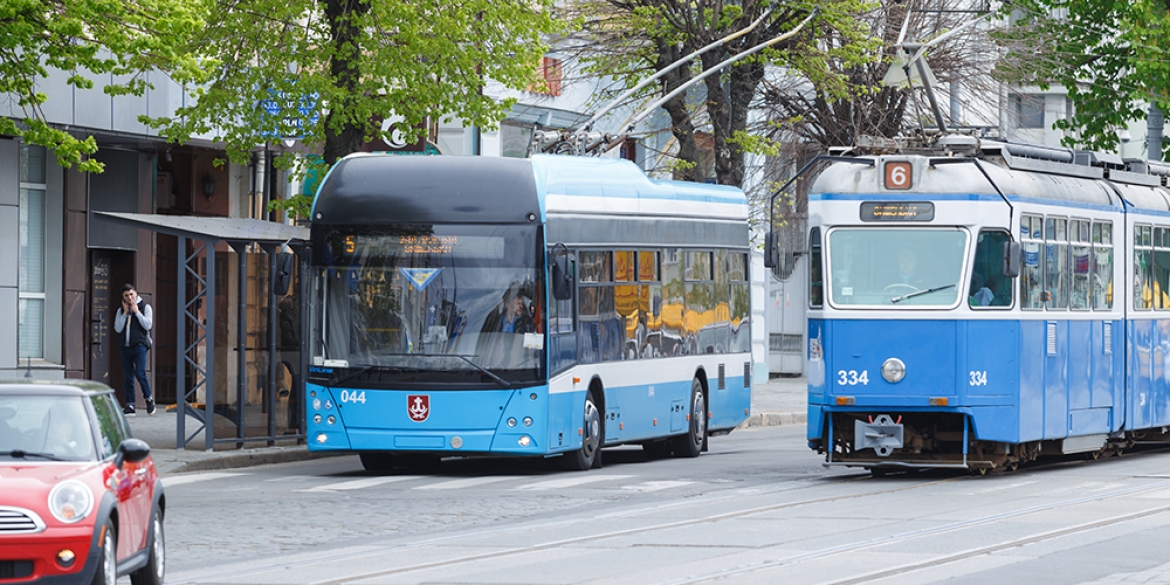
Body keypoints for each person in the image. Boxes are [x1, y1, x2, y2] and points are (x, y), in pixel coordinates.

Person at [114, 283, 155, 416]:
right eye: (126, 295)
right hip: (125, 347)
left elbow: (148, 325)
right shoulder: (121, 310)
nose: (129, 298)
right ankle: (130, 404)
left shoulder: (145, 307)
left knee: (140, 373)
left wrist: (137, 312)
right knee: (128, 377)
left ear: (136, 293)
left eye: (131, 294)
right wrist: (125, 313)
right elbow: (117, 328)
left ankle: (148, 398)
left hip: (139, 346)